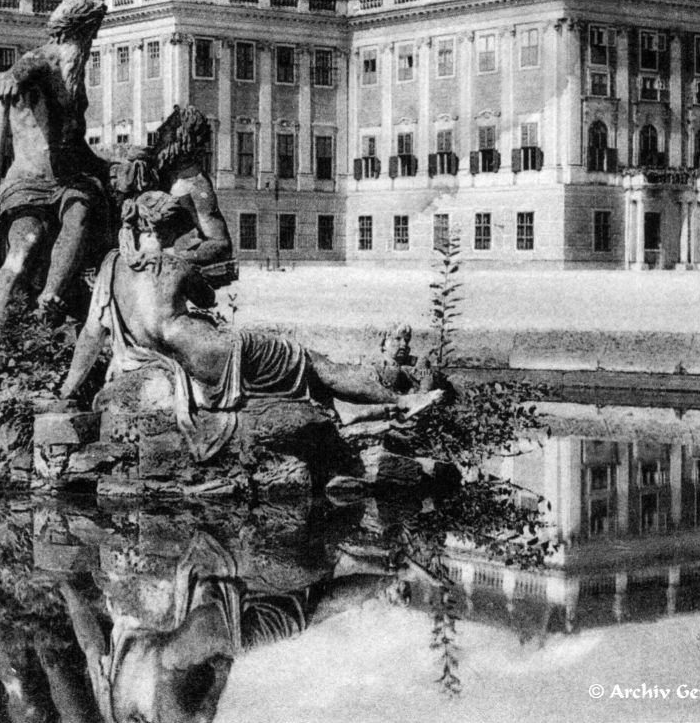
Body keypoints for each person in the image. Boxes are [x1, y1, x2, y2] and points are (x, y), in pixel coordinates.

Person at [61, 191, 442, 461]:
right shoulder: (177, 263)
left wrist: (68, 390)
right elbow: (208, 299)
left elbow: (93, 335)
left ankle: (359, 413)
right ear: (166, 229)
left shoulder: (112, 265)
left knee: (308, 376)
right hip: (213, 354)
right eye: (178, 231)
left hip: (154, 359)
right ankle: (400, 402)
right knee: (311, 362)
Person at [0, 0, 111, 323]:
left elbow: (74, 144)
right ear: (78, 33)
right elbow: (25, 67)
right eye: (89, 35)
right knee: (24, 247)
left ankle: (51, 296)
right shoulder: (45, 59)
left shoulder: (74, 76)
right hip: (27, 183)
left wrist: (109, 166)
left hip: (67, 181)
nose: (91, 42)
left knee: (81, 210)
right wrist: (9, 78)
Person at [148, 106, 234, 283]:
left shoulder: (198, 186)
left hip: (170, 266)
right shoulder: (162, 174)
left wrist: (174, 256)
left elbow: (221, 244)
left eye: (166, 132)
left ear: (183, 138)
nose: (159, 135)